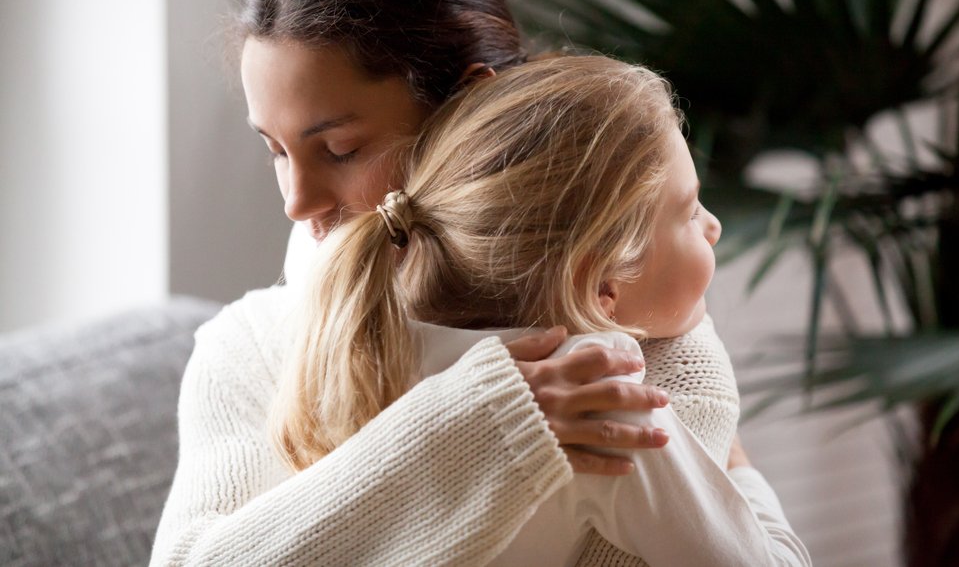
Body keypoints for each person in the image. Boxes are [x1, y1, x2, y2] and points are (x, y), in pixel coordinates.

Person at [151, 0, 804, 566]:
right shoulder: (248, 350)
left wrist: (724, 447)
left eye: (341, 149)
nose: (297, 203)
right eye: (275, 151)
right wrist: (476, 429)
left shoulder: (632, 320)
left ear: (468, 105)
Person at [271, 55, 809, 566]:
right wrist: (740, 468)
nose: (713, 226)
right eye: (690, 212)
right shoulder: (598, 393)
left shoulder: (370, 337)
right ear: (603, 287)